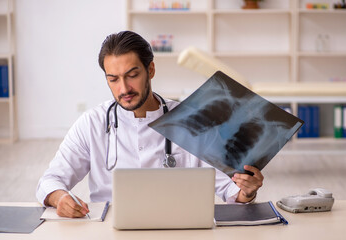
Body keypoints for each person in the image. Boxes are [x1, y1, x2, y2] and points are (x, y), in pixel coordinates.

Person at [36, 31, 264, 218]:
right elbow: (50, 181)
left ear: (150, 70)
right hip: (110, 230)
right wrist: (60, 198)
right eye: (113, 79)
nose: (123, 89)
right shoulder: (92, 123)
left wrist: (247, 191)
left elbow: (231, 191)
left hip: (179, 229)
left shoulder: (192, 121)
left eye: (132, 75)